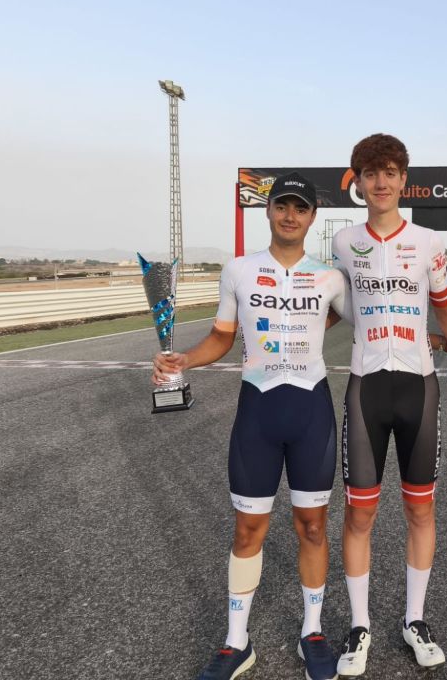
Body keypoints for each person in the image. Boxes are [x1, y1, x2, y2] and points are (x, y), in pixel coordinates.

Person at [154, 173, 348, 680]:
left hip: (310, 411)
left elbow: (359, 320)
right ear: (269, 211)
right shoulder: (239, 270)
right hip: (257, 412)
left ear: (312, 217)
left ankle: (312, 632)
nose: (290, 215)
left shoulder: (330, 278)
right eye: (282, 205)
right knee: (247, 529)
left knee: (313, 526)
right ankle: (236, 642)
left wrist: (439, 342)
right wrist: (183, 360)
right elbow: (222, 337)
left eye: (300, 208)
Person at [332, 134, 447, 676]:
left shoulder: (429, 243)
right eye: (370, 174)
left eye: (389, 173)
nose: (380, 183)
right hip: (365, 387)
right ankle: (359, 626)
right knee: (359, 512)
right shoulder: (343, 242)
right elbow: (330, 308)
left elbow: (445, 311)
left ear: (403, 180)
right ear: (359, 182)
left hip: (419, 389)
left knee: (420, 509)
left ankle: (415, 620)